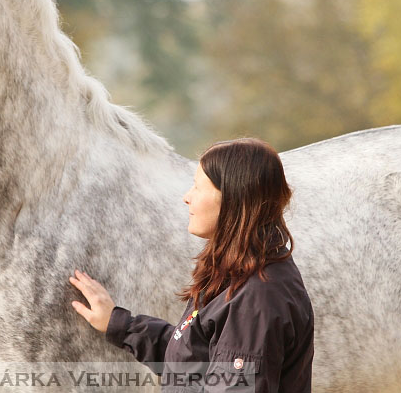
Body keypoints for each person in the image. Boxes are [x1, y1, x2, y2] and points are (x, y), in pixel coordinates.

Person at [69, 138, 314, 392]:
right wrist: (120, 325)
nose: (187, 197)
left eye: (198, 187)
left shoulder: (255, 299)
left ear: (234, 197)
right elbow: (191, 361)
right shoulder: (240, 273)